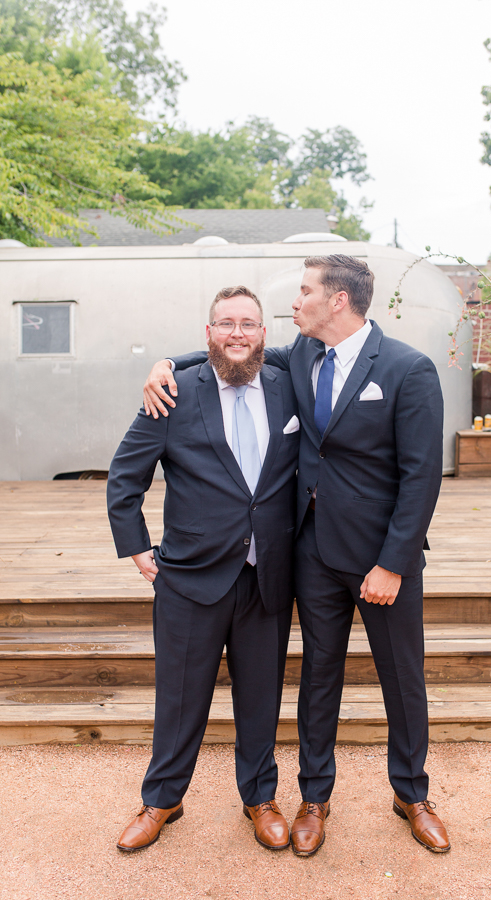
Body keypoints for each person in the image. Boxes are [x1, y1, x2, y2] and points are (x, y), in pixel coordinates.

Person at [141, 255, 449, 855]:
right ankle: (314, 797)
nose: (294, 302)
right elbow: (231, 349)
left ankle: (411, 793)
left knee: (403, 680)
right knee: (317, 677)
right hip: (312, 552)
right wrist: (164, 364)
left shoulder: (410, 369)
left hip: (384, 561)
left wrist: (392, 563)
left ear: (337, 300)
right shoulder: (303, 355)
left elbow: (422, 477)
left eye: (305, 291)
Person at [107, 287, 300, 853]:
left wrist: (169, 355)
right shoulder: (173, 392)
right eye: (225, 324)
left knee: (261, 697)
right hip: (189, 579)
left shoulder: (289, 384)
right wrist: (136, 546)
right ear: (208, 333)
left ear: (265, 333)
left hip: (267, 576)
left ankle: (260, 798)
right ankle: (162, 799)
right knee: (180, 696)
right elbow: (124, 477)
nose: (237, 334)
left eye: (248, 324)